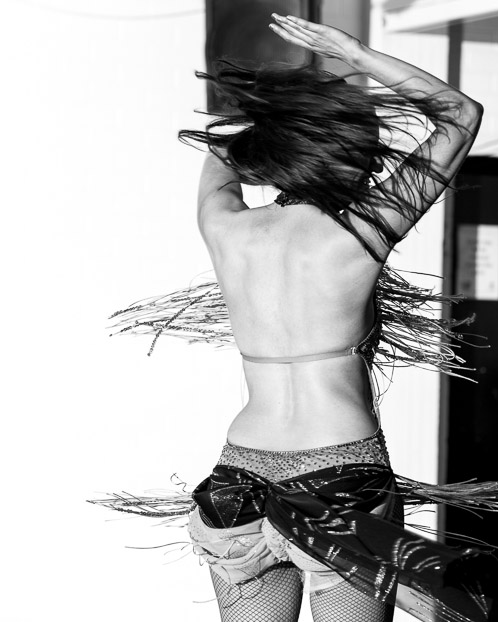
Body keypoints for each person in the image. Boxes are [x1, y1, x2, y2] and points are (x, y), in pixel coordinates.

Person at [93, 13, 498, 622]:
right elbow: (459, 115)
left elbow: (224, 149)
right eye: (369, 160)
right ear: (351, 161)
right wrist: (354, 52)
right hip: (339, 475)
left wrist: (266, 113)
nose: (375, 172)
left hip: (237, 477)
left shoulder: (225, 228)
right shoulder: (360, 230)